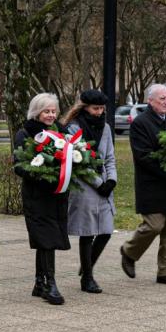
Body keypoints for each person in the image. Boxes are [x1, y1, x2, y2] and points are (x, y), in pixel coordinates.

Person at [120, 84, 166, 286]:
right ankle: (129, 251)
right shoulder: (141, 123)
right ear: (150, 101)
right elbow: (143, 156)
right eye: (162, 98)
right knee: (154, 225)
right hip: (152, 182)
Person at [14, 93, 70, 305]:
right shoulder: (25, 133)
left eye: (53, 111)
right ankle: (50, 284)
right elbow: (19, 165)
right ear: (36, 112)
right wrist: (41, 175)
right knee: (46, 238)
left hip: (57, 194)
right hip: (37, 194)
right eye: (46, 111)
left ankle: (40, 282)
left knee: (48, 237)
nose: (51, 115)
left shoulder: (62, 132)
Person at [61, 89, 117, 294]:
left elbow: (110, 157)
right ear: (85, 107)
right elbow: (77, 161)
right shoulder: (73, 129)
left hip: (104, 184)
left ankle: (87, 265)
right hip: (84, 185)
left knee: (106, 230)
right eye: (96, 108)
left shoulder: (107, 128)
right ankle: (87, 277)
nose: (100, 112)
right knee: (88, 232)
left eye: (102, 108)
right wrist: (97, 182)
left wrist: (111, 179)